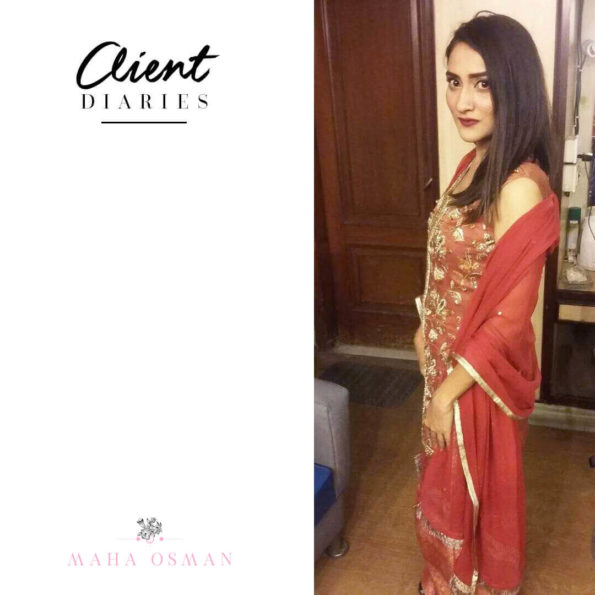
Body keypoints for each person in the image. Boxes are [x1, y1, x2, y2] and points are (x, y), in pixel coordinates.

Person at [411, 12, 561, 594]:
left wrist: (446, 394)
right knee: (443, 482)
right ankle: (444, 579)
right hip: (445, 364)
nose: (462, 101)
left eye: (482, 84)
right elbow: (453, 266)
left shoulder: (518, 185)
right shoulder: (475, 162)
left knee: (471, 491)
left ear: (513, 87)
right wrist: (424, 330)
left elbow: (508, 320)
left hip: (476, 378)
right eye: (454, 81)